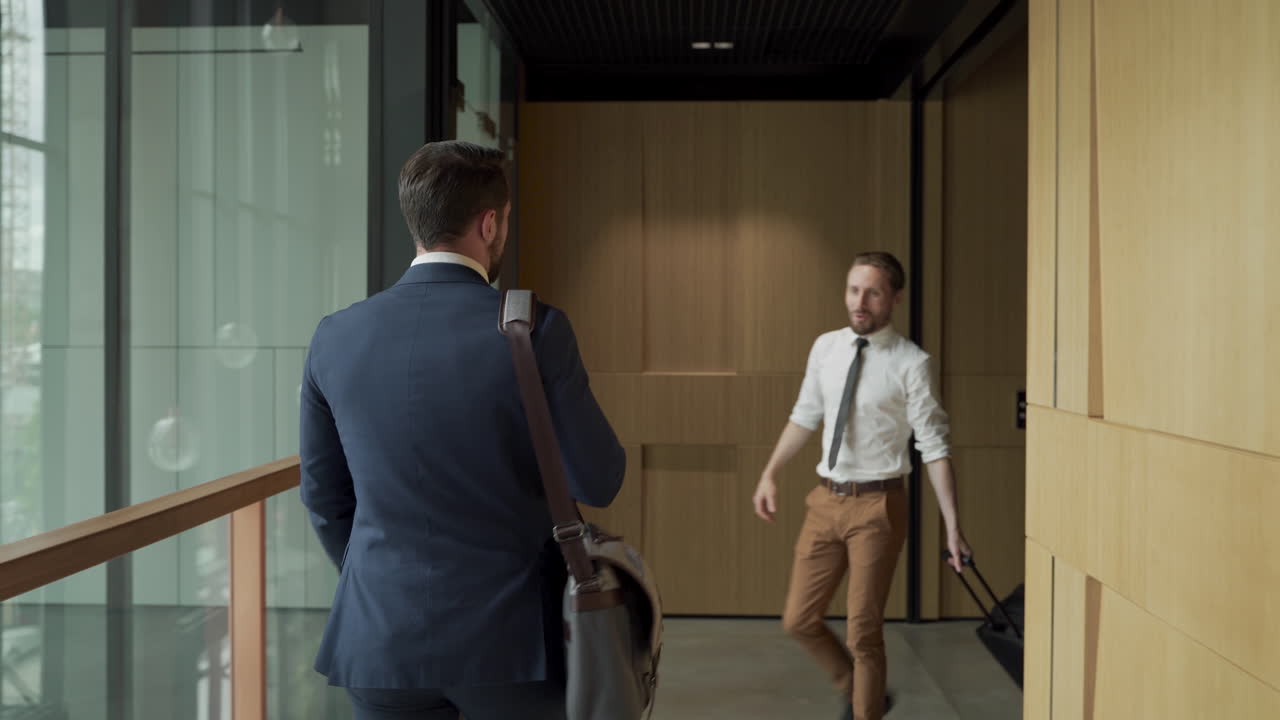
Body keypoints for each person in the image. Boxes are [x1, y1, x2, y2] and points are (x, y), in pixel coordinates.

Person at [300, 140, 625, 720]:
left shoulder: (336, 335)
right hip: (514, 646)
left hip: (380, 643)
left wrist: (382, 578)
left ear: (416, 223)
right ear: (490, 222)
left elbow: (324, 498)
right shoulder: (533, 328)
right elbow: (599, 479)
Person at [751, 251, 970, 720]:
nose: (860, 301)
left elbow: (934, 447)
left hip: (878, 508)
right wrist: (770, 472)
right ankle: (857, 689)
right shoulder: (826, 348)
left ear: (894, 298)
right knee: (799, 619)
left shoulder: (912, 363)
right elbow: (804, 415)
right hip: (825, 500)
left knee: (863, 632)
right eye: (854, 290)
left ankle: (864, 710)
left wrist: (952, 527)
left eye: (872, 292)